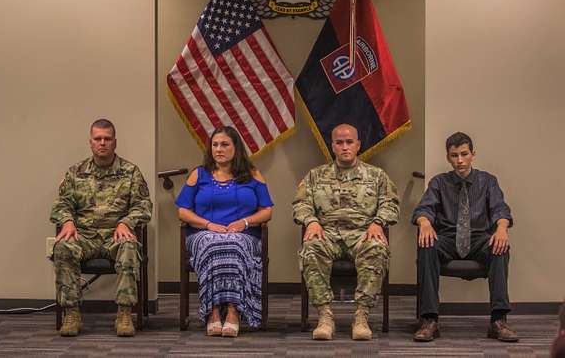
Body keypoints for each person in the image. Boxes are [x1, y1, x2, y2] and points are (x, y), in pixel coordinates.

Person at [293, 123, 399, 341]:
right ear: (333, 146)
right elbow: (300, 204)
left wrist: (378, 222)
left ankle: (361, 317)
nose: (345, 147)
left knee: (377, 248)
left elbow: (391, 203)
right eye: (339, 143)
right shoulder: (315, 176)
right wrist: (311, 221)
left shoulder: (377, 176)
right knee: (311, 247)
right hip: (327, 234)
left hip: (363, 234)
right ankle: (325, 317)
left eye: (349, 142)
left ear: (358, 145)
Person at [50, 119, 152, 337]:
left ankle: (124, 313)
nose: (103, 143)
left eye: (107, 139)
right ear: (91, 142)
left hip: (116, 235)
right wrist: (67, 221)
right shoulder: (75, 172)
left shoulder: (130, 172)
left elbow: (143, 205)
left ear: (115, 142)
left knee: (130, 247)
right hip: (84, 236)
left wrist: (127, 222)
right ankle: (72, 313)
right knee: (62, 248)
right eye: (98, 139)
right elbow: (61, 204)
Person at [413, 132, 518, 342]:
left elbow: (501, 210)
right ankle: (429, 320)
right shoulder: (439, 182)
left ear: (473, 154)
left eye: (464, 154)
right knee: (427, 246)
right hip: (448, 238)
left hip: (479, 238)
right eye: (454, 155)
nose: (459, 160)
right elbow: (424, 209)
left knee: (500, 247)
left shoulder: (488, 181)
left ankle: (498, 320)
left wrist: (502, 229)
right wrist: (424, 223)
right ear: (447, 157)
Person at [175, 126, 273, 337]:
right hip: (203, 233)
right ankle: (212, 312)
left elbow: (267, 211)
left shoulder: (253, 174)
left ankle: (232, 311)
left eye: (225, 144)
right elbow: (183, 210)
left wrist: (245, 222)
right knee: (213, 243)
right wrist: (208, 225)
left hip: (244, 235)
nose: (219, 149)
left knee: (233, 244)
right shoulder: (198, 174)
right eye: (215, 145)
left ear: (236, 148)